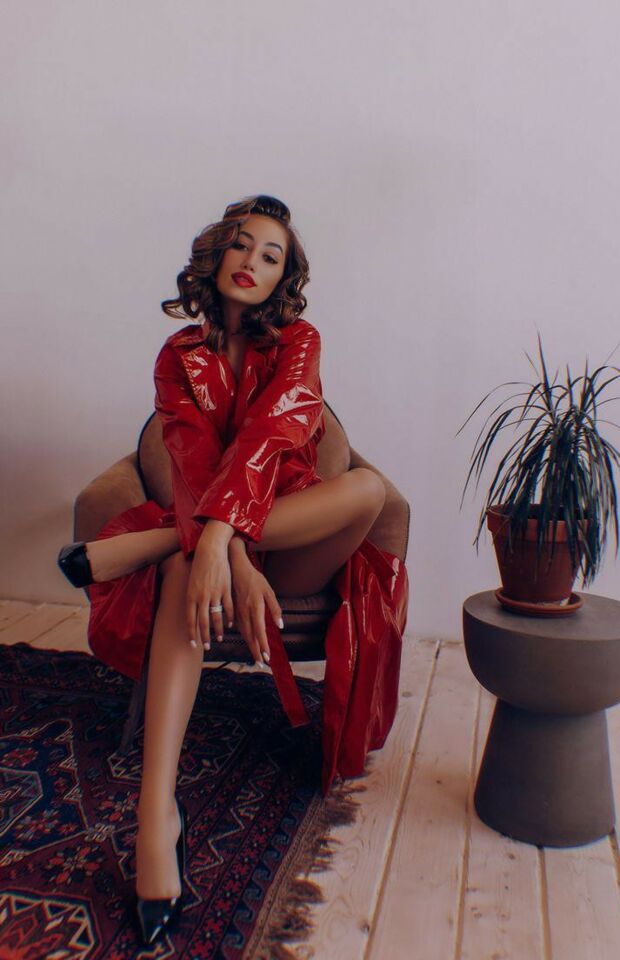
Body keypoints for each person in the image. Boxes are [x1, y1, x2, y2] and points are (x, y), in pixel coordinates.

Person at [57, 194, 409, 945]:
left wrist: (218, 541)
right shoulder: (177, 356)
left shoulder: (300, 343)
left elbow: (269, 440)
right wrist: (222, 554)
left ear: (284, 277)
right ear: (216, 256)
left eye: (270, 254)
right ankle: (157, 815)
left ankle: (154, 542)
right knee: (185, 575)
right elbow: (191, 465)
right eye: (241, 245)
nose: (252, 262)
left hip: (294, 537)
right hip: (213, 547)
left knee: (367, 491)